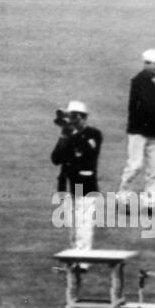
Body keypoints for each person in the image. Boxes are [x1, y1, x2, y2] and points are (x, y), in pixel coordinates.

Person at [117, 49, 155, 206]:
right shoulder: (139, 81)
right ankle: (123, 197)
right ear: (145, 64)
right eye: (150, 64)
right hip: (139, 130)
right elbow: (147, 106)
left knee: (154, 168)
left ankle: (149, 202)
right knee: (135, 166)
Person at [51, 101, 103, 251]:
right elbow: (56, 158)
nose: (72, 119)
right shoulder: (68, 136)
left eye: (75, 116)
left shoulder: (93, 134)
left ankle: (83, 259)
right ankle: (75, 256)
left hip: (86, 185)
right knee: (74, 224)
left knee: (84, 223)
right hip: (72, 185)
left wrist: (71, 134)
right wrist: (62, 136)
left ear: (82, 117)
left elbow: (84, 153)